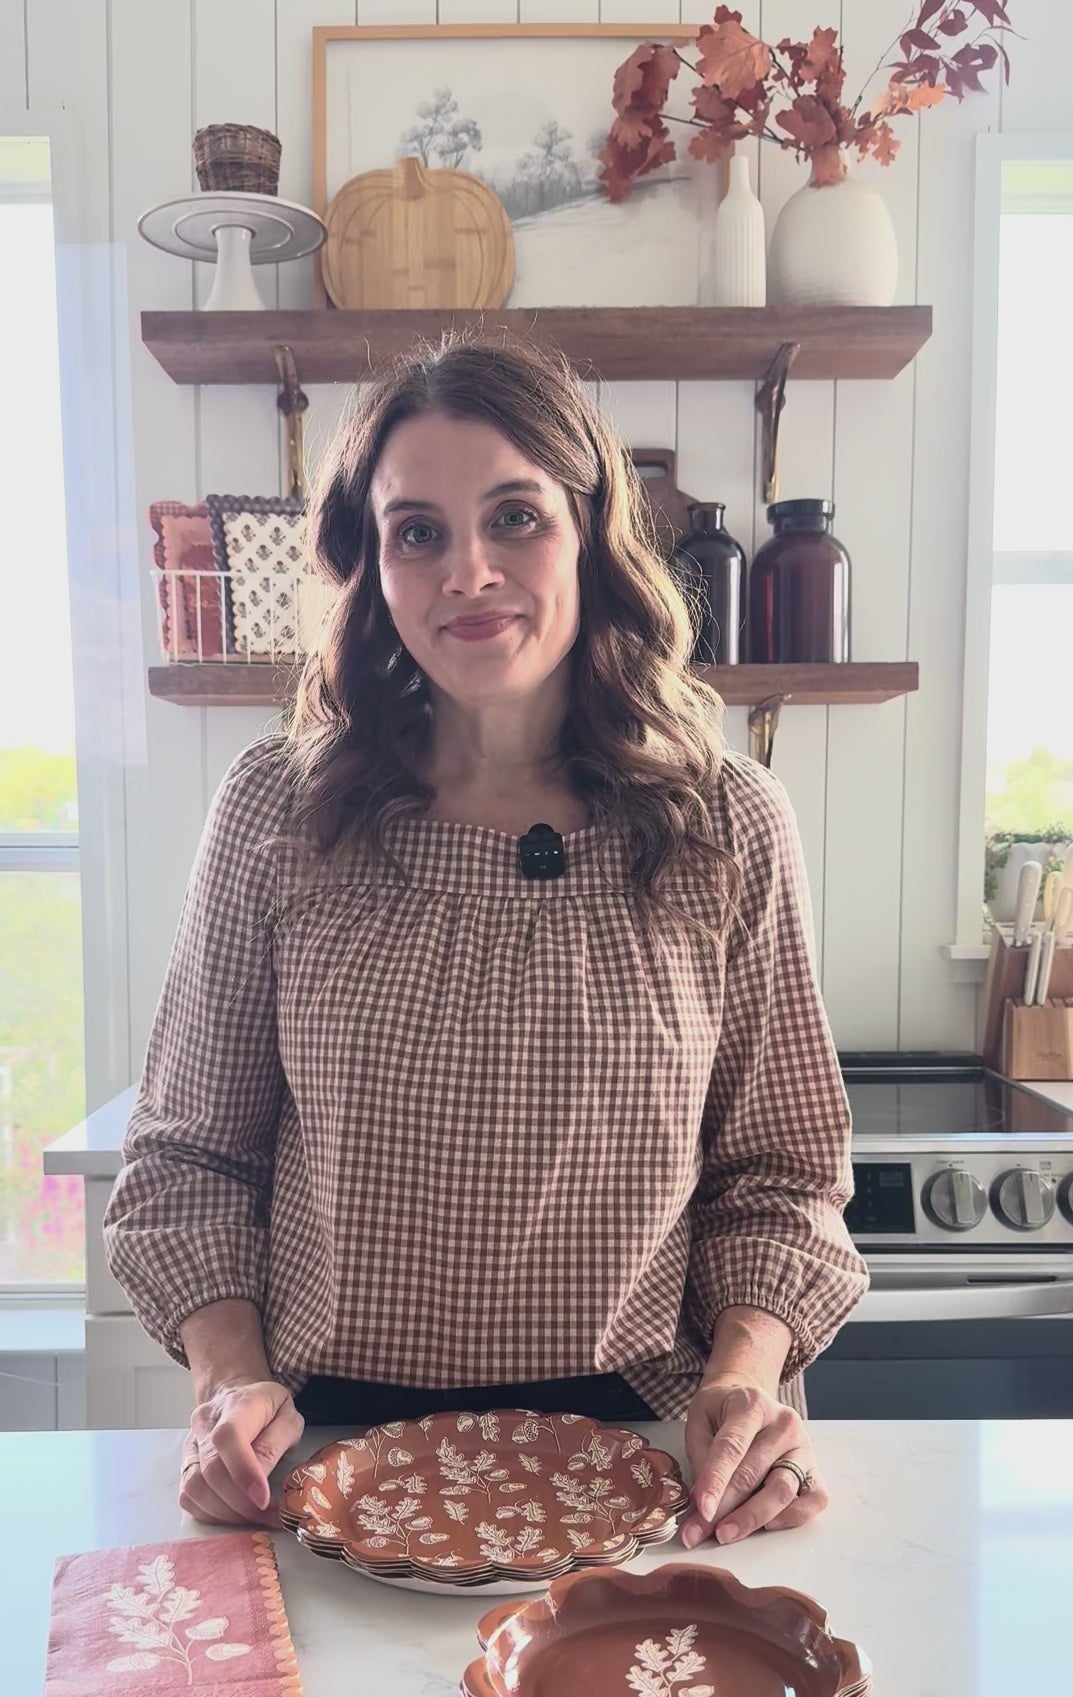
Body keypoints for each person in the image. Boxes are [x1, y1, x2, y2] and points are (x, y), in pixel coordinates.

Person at [104, 334, 868, 1551]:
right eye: (417, 532)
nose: (469, 571)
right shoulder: (278, 812)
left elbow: (777, 1179)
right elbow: (189, 1162)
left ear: (590, 532)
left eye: (515, 517)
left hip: (646, 1465)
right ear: (373, 568)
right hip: (322, 1460)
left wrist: (750, 1373)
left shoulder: (724, 825)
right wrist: (225, 1386)